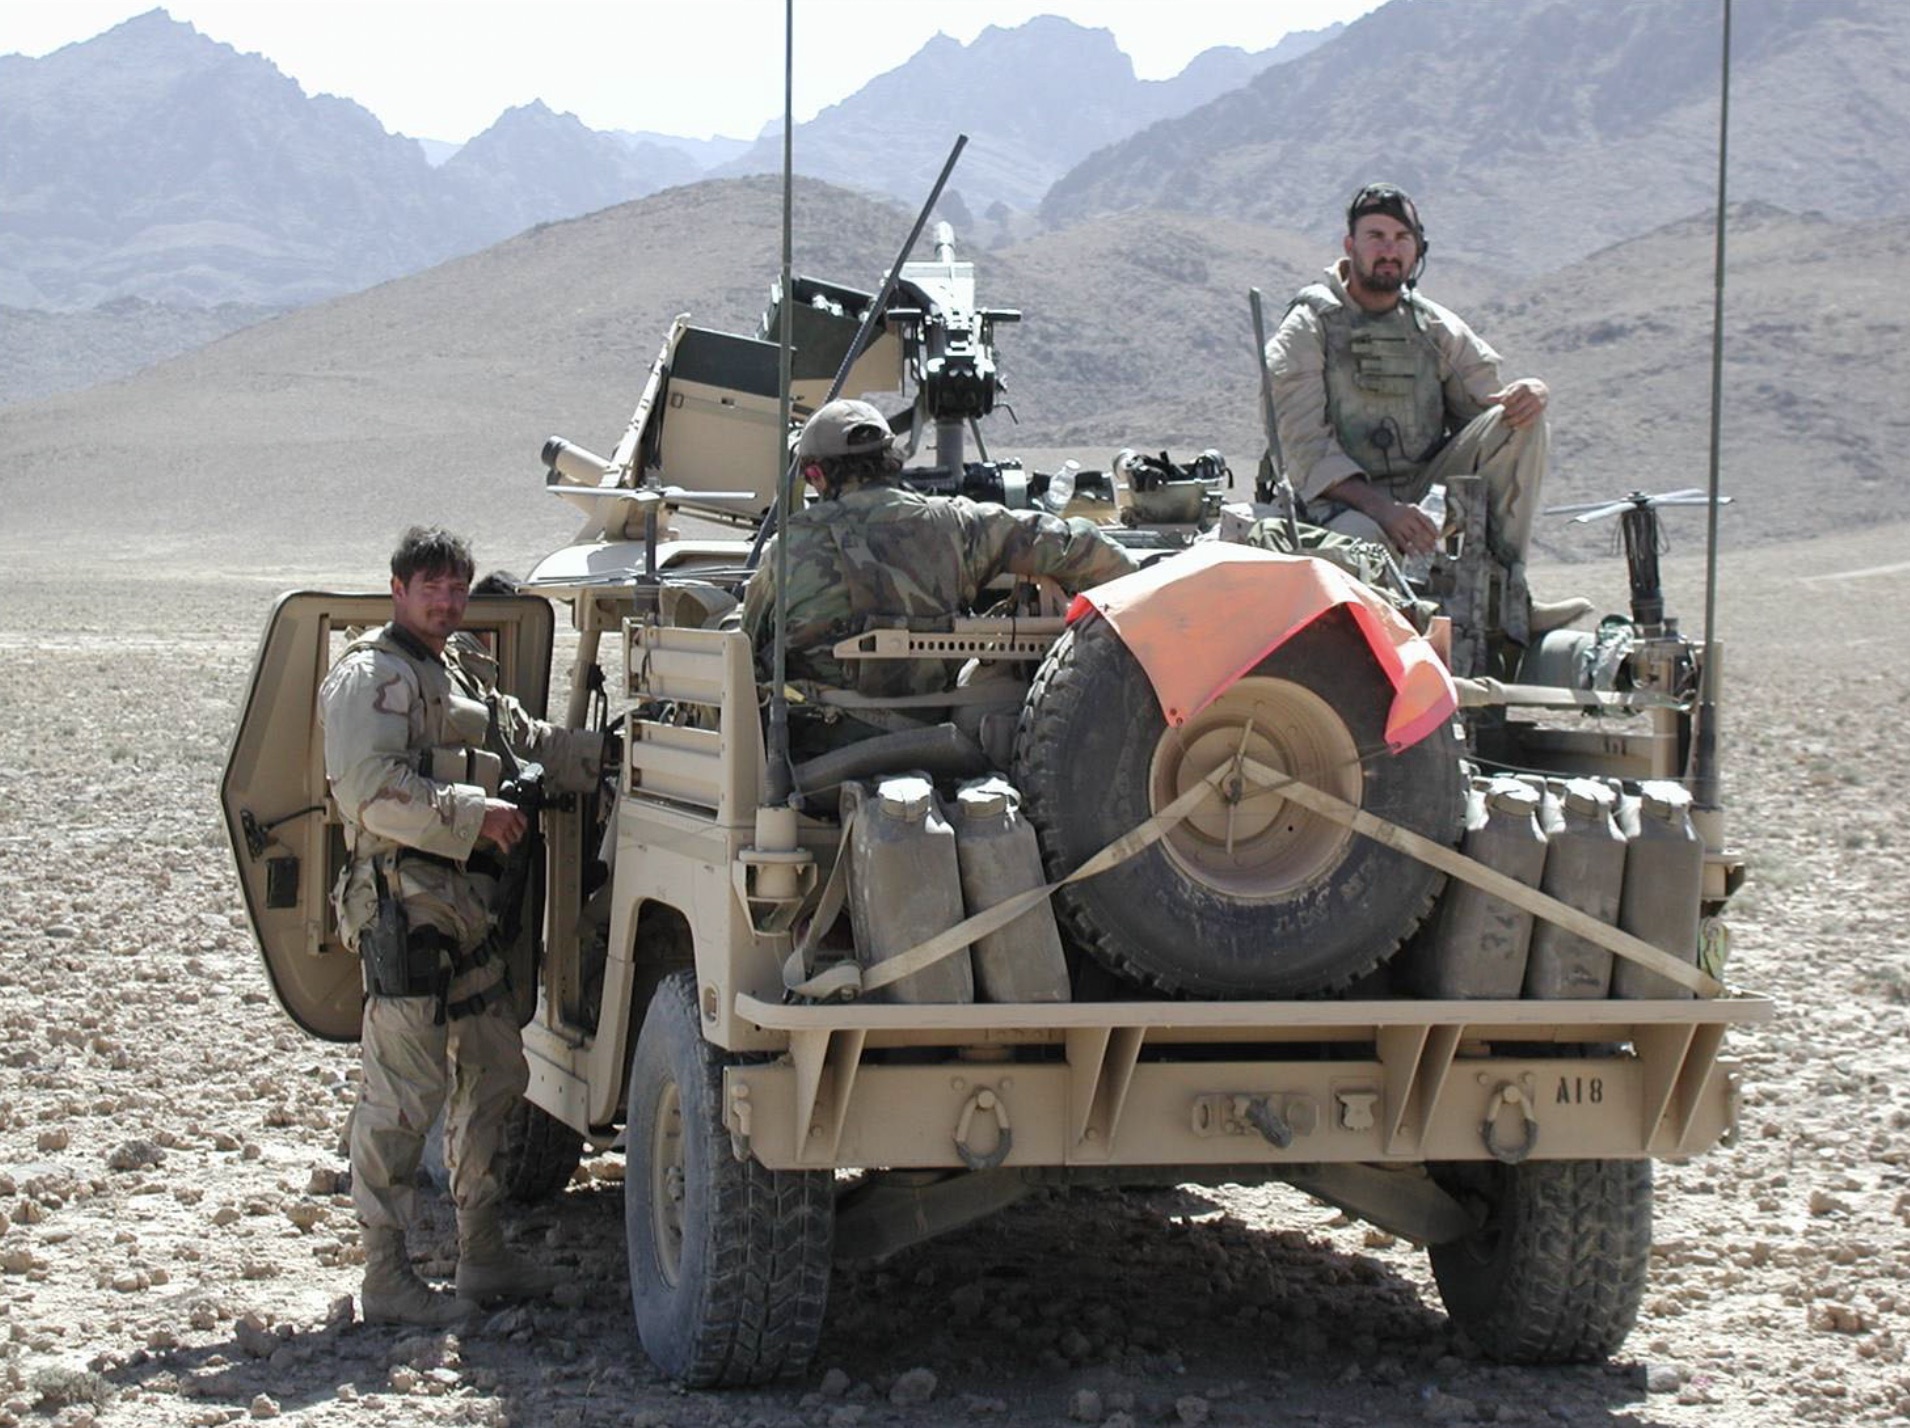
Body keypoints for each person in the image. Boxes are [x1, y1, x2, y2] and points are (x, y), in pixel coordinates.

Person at [320, 527, 608, 1326]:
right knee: (405, 1090)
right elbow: (368, 790)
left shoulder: (460, 669)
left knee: (495, 1070)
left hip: (468, 902)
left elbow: (525, 739)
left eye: (456, 588)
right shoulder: (371, 676)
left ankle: (482, 1255)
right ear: (398, 590)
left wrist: (609, 756)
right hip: (403, 902)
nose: (446, 602)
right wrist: (474, 814)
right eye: (431, 587)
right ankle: (386, 1276)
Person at [1267, 182, 1590, 633]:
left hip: (1423, 492)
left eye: (1402, 238)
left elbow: (1487, 407)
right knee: (1365, 552)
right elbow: (1306, 449)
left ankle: (1511, 596)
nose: (1389, 250)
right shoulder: (1309, 327)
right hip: (1340, 501)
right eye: (1376, 236)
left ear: (1418, 249)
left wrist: (1533, 392)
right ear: (1350, 246)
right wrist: (1385, 510)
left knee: (1521, 424)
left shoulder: (1432, 326)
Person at [741, 398, 1139, 746]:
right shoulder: (958, 525)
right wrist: (1141, 588)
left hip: (822, 743)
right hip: (937, 734)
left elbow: (748, 645)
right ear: (889, 459)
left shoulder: (789, 549)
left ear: (816, 475)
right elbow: (1075, 547)